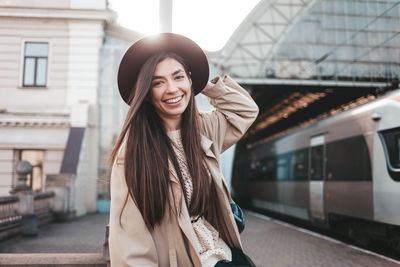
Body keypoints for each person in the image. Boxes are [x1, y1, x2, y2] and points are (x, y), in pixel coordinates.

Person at [108, 33, 259, 267]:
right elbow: (130, 245)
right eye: (158, 82)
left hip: (226, 256)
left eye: (178, 77)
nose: (171, 89)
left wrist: (204, 84)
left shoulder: (203, 131)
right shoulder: (132, 153)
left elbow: (245, 111)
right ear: (146, 93)